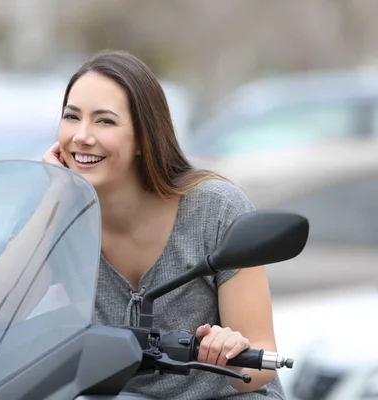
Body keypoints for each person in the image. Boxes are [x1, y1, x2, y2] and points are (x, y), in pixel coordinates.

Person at [40, 49, 285, 399]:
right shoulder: (63, 217)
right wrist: (49, 200)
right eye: (71, 117)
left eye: (104, 121)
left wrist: (230, 354)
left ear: (143, 136)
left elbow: (261, 358)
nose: (82, 135)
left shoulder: (214, 209)